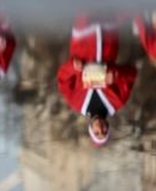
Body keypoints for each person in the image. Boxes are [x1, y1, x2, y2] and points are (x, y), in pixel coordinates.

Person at [57, 16, 137, 147]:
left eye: (96, 133)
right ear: (108, 127)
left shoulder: (76, 103)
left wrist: (73, 66)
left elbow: (62, 78)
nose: (100, 129)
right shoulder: (117, 100)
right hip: (108, 37)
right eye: (104, 132)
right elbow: (132, 74)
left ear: (90, 129)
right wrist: (115, 74)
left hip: (83, 38)